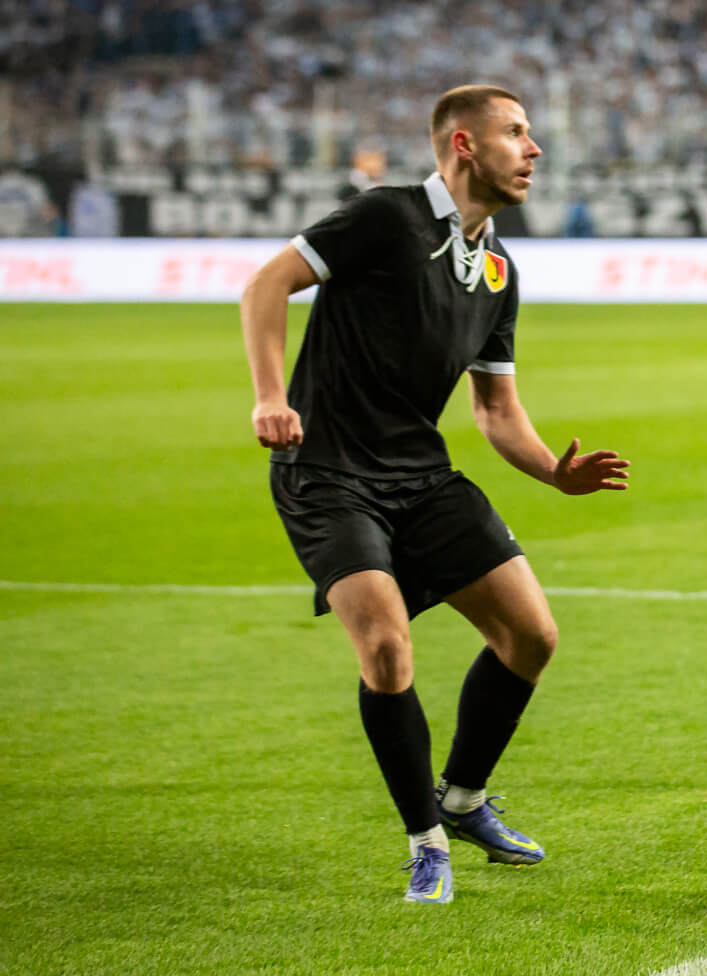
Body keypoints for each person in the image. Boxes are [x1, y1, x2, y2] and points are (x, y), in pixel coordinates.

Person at [240, 84, 629, 905]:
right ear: (463, 144)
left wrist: (554, 472)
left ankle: (463, 800)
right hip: (327, 472)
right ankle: (426, 843)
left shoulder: (498, 269)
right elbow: (267, 284)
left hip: (420, 475)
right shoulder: (386, 217)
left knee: (531, 635)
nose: (534, 149)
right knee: (386, 647)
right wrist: (271, 397)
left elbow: (496, 411)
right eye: (516, 132)